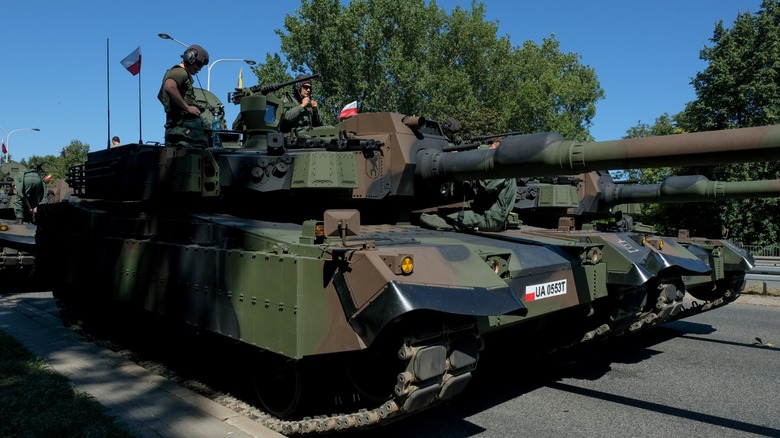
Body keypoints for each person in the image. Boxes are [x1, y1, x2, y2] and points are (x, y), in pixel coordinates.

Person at [421, 137, 517, 232]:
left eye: (492, 150)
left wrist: (477, 163)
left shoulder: (503, 168)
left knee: (445, 220)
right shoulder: (504, 167)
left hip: (491, 219)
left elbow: (486, 186)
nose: (490, 152)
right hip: (489, 215)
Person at [157, 44, 210, 148]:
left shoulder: (178, 73)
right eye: (199, 65)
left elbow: (160, 96)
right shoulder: (180, 72)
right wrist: (187, 108)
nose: (200, 69)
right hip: (185, 128)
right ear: (190, 59)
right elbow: (169, 87)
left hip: (176, 127)